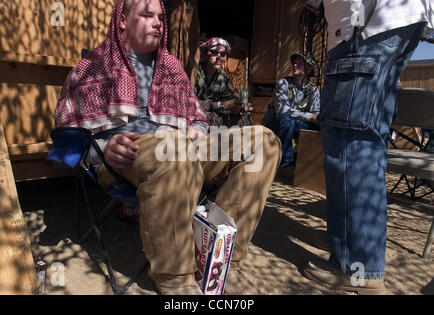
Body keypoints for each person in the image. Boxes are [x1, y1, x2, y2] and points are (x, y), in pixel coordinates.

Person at [54, 0, 281, 295]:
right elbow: (69, 130)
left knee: (263, 142)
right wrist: (102, 148)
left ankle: (220, 260)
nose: (159, 22)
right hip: (127, 156)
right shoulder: (95, 64)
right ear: (122, 20)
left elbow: (196, 114)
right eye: (147, 15)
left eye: (160, 16)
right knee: (172, 147)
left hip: (182, 149)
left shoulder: (171, 67)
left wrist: (197, 129)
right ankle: (176, 278)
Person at [303, 0, 433, 294]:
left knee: (350, 145)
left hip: (365, 26)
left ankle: (356, 266)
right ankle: (351, 241)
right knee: (362, 141)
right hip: (388, 23)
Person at [262, 52, 320, 167]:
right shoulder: (283, 83)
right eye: (294, 63)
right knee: (287, 120)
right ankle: (285, 163)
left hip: (294, 124)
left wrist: (320, 121)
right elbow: (282, 110)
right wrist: (310, 116)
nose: (294, 65)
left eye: (299, 63)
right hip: (274, 123)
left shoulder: (313, 90)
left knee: (320, 126)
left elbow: (316, 113)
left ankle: (308, 165)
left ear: (309, 68)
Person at [194, 37, 253, 128]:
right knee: (207, 117)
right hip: (196, 112)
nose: (219, 57)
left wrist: (240, 106)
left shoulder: (223, 77)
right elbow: (189, 103)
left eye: (223, 54)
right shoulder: (194, 72)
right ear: (204, 53)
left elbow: (232, 98)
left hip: (214, 113)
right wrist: (221, 105)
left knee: (245, 120)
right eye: (214, 52)